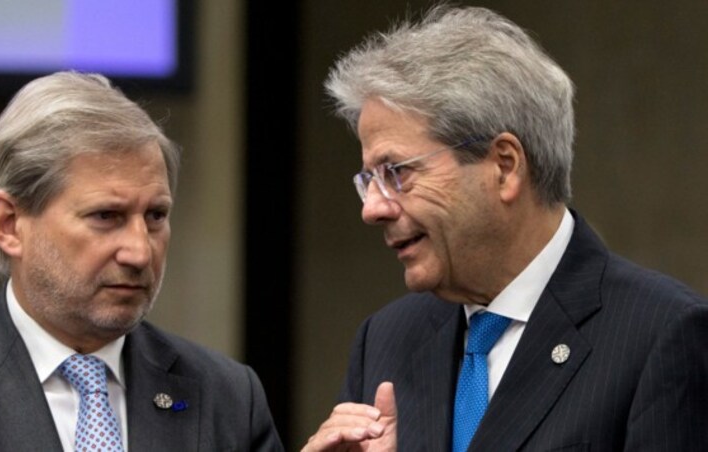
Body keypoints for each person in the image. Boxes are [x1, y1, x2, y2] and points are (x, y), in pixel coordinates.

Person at [303, 4, 708, 451]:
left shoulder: (660, 336)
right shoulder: (386, 341)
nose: (372, 209)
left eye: (396, 172)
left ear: (504, 166)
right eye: (369, 181)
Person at [0, 72, 283, 451]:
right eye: (106, 216)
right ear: (9, 224)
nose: (139, 252)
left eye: (155, 216)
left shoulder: (229, 397)